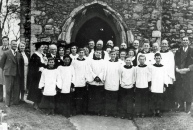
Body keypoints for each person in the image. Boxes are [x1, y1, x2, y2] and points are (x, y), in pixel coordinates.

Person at [0, 40, 24, 107]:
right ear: (10, 45)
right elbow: (1, 64)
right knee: (8, 88)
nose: (15, 46)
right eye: (13, 44)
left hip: (17, 74)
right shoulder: (6, 53)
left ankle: (15, 102)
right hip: (9, 73)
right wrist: (7, 69)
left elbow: (21, 64)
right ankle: (7, 103)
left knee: (16, 88)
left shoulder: (19, 54)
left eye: (16, 45)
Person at [27, 42, 48, 110]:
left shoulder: (42, 55)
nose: (43, 48)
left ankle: (40, 103)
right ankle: (35, 103)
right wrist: (39, 69)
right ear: (38, 47)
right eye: (42, 47)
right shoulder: (34, 55)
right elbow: (32, 66)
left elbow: (44, 64)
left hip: (42, 75)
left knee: (41, 88)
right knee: (36, 89)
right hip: (36, 75)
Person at [175, 37, 193, 114]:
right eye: (183, 40)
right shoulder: (178, 51)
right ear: (181, 42)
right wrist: (177, 69)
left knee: (188, 89)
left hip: (189, 73)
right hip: (179, 73)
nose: (185, 41)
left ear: (188, 42)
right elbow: (175, 61)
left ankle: (188, 108)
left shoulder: (192, 50)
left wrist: (188, 69)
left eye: (186, 40)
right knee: (180, 89)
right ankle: (181, 106)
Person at [87, 49, 106, 115]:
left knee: (99, 97)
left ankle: (99, 111)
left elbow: (104, 70)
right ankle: (92, 110)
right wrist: (95, 77)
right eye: (97, 52)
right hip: (93, 81)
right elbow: (89, 70)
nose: (98, 54)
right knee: (92, 97)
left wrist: (99, 77)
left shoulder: (103, 61)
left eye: (99, 53)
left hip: (100, 82)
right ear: (94, 53)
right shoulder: (91, 61)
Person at [71, 48, 89, 115]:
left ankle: (83, 110)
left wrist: (86, 80)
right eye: (80, 52)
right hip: (76, 81)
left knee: (83, 97)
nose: (81, 54)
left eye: (82, 52)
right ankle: (75, 111)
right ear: (78, 53)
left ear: (84, 53)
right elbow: (72, 71)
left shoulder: (86, 61)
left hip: (83, 82)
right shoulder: (74, 61)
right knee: (76, 97)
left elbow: (87, 71)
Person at [160, 40, 175, 111]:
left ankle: (168, 107)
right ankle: (161, 107)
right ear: (161, 44)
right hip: (160, 74)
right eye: (163, 44)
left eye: (165, 44)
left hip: (168, 74)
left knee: (168, 91)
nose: (164, 45)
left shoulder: (170, 54)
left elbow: (171, 64)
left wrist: (168, 73)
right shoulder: (158, 53)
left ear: (167, 45)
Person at [104, 50, 121, 117]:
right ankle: (107, 112)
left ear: (116, 55)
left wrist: (119, 81)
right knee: (108, 98)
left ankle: (114, 112)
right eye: (112, 54)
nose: (113, 56)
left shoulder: (118, 63)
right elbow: (105, 72)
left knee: (114, 98)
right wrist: (104, 80)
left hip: (115, 82)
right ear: (109, 55)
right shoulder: (106, 63)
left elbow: (120, 73)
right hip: (108, 81)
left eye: (114, 54)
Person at [150, 53, 168, 117]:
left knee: (159, 99)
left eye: (159, 58)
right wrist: (150, 85)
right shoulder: (151, 66)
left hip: (160, 85)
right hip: (154, 85)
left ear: (161, 58)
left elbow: (165, 77)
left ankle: (158, 111)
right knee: (153, 98)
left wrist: (165, 86)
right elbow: (150, 76)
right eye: (156, 58)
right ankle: (153, 111)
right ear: (154, 58)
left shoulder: (163, 67)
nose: (158, 59)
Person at [0, 36, 10, 102]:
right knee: (0, 82)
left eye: (6, 40)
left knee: (8, 82)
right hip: (0, 67)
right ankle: (0, 97)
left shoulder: (10, 48)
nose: (4, 42)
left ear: (8, 41)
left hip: (8, 67)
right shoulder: (0, 48)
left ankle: (8, 98)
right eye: (3, 40)